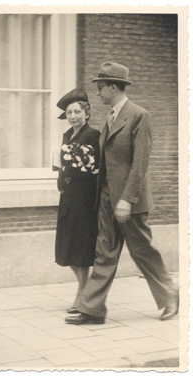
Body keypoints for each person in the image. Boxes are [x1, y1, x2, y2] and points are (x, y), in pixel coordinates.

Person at [65, 62, 179, 325]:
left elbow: (140, 164)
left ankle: (170, 295)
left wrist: (127, 198)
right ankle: (92, 309)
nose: (98, 93)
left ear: (114, 87)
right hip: (106, 197)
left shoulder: (139, 116)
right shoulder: (110, 117)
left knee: (141, 250)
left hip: (130, 200)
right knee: (104, 251)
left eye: (101, 87)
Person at [55, 88, 100, 314]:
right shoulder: (66, 136)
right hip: (68, 197)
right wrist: (61, 179)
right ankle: (84, 290)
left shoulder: (93, 135)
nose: (73, 116)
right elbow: (62, 164)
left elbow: (96, 170)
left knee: (81, 250)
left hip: (84, 198)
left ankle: (82, 294)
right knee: (68, 248)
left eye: (77, 112)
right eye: (70, 112)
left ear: (86, 113)